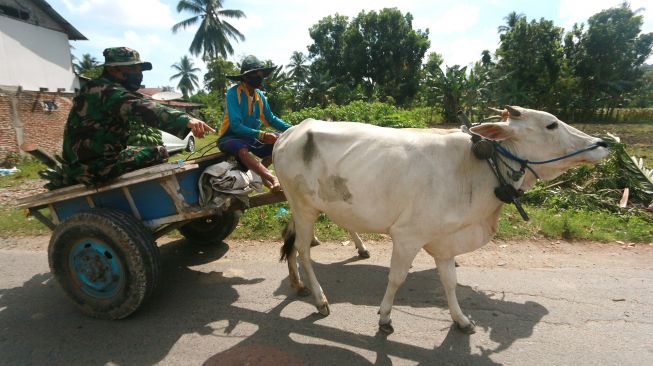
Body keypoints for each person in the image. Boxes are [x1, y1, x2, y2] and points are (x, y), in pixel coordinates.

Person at [60, 47, 214, 187]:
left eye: (140, 69)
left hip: (85, 162)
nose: (138, 73)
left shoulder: (95, 87)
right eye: (133, 68)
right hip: (94, 167)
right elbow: (140, 106)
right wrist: (187, 120)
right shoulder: (107, 91)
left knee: (140, 151)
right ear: (113, 69)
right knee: (159, 152)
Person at [218, 55, 292, 191]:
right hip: (230, 137)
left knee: (278, 142)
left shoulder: (260, 96)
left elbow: (271, 119)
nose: (260, 77)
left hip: (251, 137)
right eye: (255, 75)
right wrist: (262, 135)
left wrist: (293, 129)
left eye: (261, 74)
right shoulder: (233, 93)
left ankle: (261, 174)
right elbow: (235, 126)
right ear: (246, 77)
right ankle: (272, 178)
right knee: (242, 149)